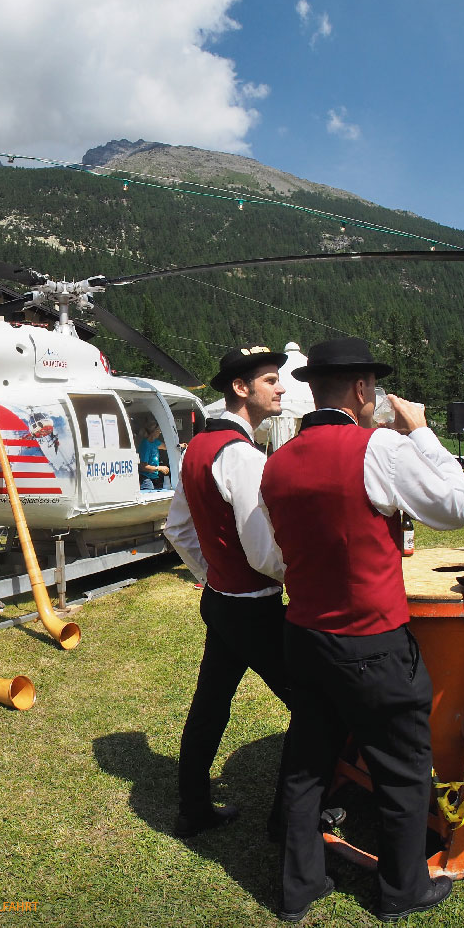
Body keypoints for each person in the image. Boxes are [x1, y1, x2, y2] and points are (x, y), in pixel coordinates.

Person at [260, 336, 464, 922]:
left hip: (305, 634)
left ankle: (299, 887)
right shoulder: (377, 447)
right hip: (370, 640)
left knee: (307, 765)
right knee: (403, 768)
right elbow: (455, 506)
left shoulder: (276, 464)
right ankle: (402, 889)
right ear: (361, 389)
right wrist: (421, 432)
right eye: (372, 387)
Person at [164, 346, 291, 839]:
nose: (280, 387)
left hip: (220, 602)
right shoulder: (242, 456)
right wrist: (301, 578)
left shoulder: (197, 447)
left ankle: (193, 808)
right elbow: (263, 554)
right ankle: (294, 820)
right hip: (254, 609)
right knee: (315, 705)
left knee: (210, 704)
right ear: (241, 388)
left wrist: (214, 572)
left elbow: (177, 529)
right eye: (270, 380)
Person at [137, 419, 168, 490]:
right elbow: (143, 466)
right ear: (154, 431)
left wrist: (179, 445)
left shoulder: (155, 442)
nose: (160, 432)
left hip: (154, 478)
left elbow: (166, 447)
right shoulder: (145, 445)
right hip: (145, 480)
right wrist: (159, 468)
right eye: (158, 430)